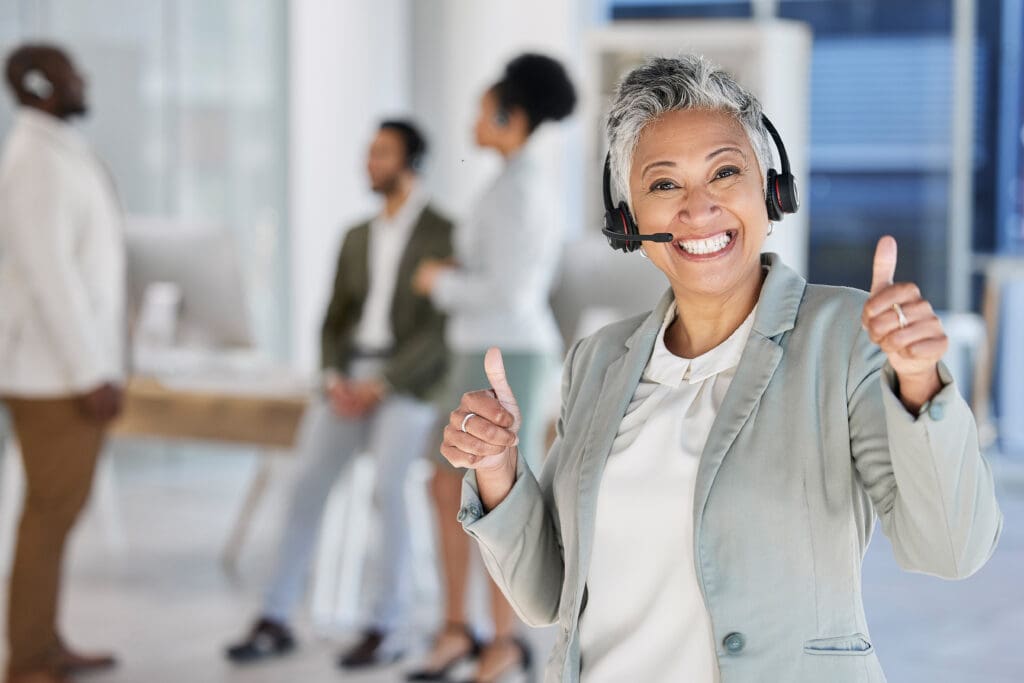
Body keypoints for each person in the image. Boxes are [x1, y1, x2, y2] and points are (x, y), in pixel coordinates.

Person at [440, 56, 1003, 683]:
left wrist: (919, 383)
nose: (698, 208)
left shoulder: (843, 335)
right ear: (629, 221)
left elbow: (952, 550)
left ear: (771, 189)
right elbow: (548, 596)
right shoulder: (597, 360)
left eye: (725, 172)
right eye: (663, 185)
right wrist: (498, 471)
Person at [225, 120, 453, 669]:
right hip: (349, 378)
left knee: (389, 489)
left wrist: (386, 382)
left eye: (380, 153)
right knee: (304, 484)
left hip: (407, 384)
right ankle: (275, 617)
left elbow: (440, 329)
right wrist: (334, 377)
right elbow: (332, 319)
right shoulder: (356, 235)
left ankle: (389, 625)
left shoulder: (444, 233)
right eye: (368, 153)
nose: (368, 162)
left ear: (410, 161)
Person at [409, 53, 576, 683]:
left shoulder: (521, 189)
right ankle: (459, 629)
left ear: (511, 115)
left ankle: (502, 640)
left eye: (484, 109)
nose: (474, 120)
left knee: (500, 497)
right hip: (476, 349)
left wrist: (441, 281)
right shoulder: (509, 182)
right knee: (445, 488)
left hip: (507, 352)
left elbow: (508, 291)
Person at [0, 45, 124, 683]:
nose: (85, 80)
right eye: (74, 73)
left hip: (66, 371)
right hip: (53, 377)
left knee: (55, 514)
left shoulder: (53, 151)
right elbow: (53, 279)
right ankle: (26, 659)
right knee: (47, 517)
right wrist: (90, 373)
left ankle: (44, 643)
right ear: (48, 85)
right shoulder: (32, 162)